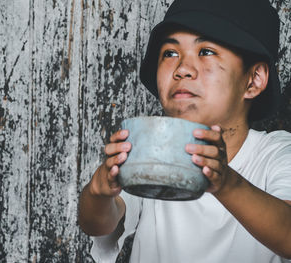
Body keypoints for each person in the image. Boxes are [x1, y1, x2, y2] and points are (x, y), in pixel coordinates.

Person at [78, 0, 291, 262]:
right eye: (170, 53)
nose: (182, 69)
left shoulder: (276, 153)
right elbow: (99, 225)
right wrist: (98, 193)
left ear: (254, 79)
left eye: (207, 51)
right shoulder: (152, 149)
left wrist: (224, 182)